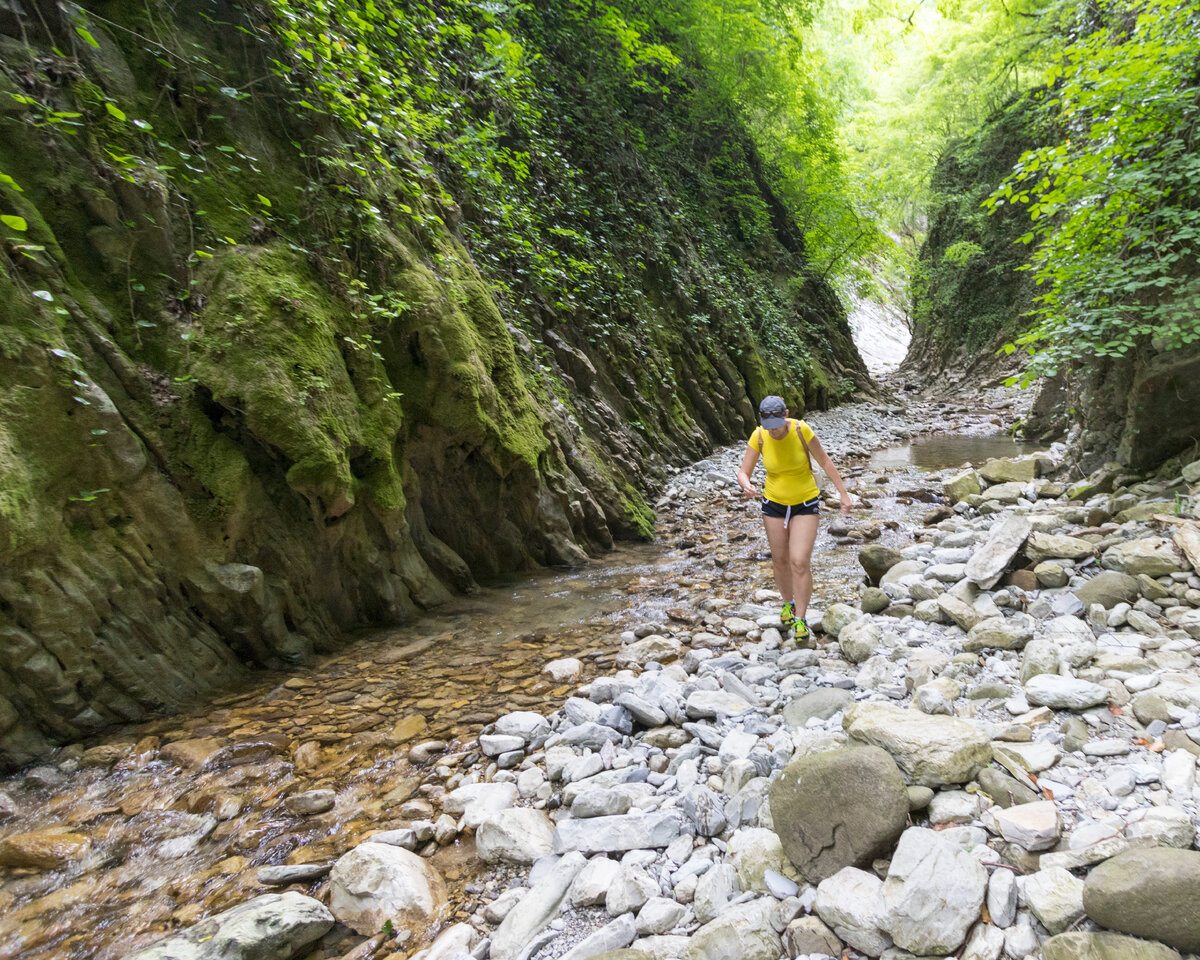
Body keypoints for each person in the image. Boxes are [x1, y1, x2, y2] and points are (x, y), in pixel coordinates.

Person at [736, 395, 855, 641]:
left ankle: (801, 620)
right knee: (780, 560)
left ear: (786, 415)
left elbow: (824, 460)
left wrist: (843, 494)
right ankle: (787, 603)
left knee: (799, 560)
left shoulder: (802, 430)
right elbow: (743, 472)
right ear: (761, 420)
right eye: (770, 427)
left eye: (778, 426)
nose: (775, 432)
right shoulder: (759, 435)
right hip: (773, 505)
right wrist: (746, 484)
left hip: (805, 503)